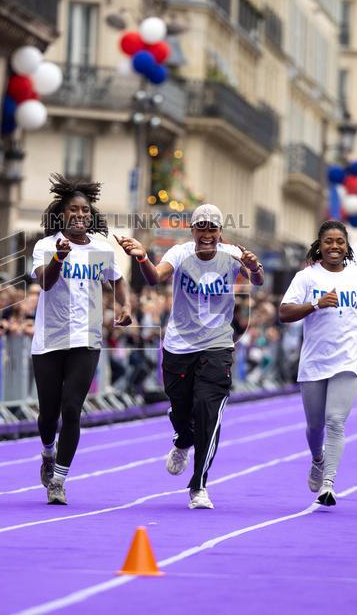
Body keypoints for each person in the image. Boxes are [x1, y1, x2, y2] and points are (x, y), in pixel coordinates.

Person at [116, 204, 264, 509]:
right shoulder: (180, 253)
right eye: (202, 228)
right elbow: (156, 277)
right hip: (179, 346)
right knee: (182, 411)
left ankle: (199, 485)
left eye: (213, 228)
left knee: (207, 413)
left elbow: (257, 280)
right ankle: (183, 439)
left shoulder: (232, 254)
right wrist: (143, 258)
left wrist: (254, 267)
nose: (207, 234)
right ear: (193, 231)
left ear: (220, 232)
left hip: (217, 345)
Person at [30, 174, 131, 505]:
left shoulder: (102, 249)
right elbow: (44, 282)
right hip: (49, 340)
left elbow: (117, 280)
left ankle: (58, 480)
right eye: (73, 210)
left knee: (72, 409)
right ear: (62, 214)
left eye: (85, 211)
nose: (80, 215)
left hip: (86, 340)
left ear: (91, 215)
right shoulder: (46, 246)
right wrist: (59, 258)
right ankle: (47, 451)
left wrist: (124, 305)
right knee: (49, 413)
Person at [279, 221, 357, 506]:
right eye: (328, 241)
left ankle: (329, 483)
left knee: (336, 421)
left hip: (347, 359)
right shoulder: (306, 278)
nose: (334, 246)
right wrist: (315, 305)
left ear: (347, 246)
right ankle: (317, 458)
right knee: (315, 426)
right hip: (314, 361)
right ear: (319, 246)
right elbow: (284, 312)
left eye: (340, 241)